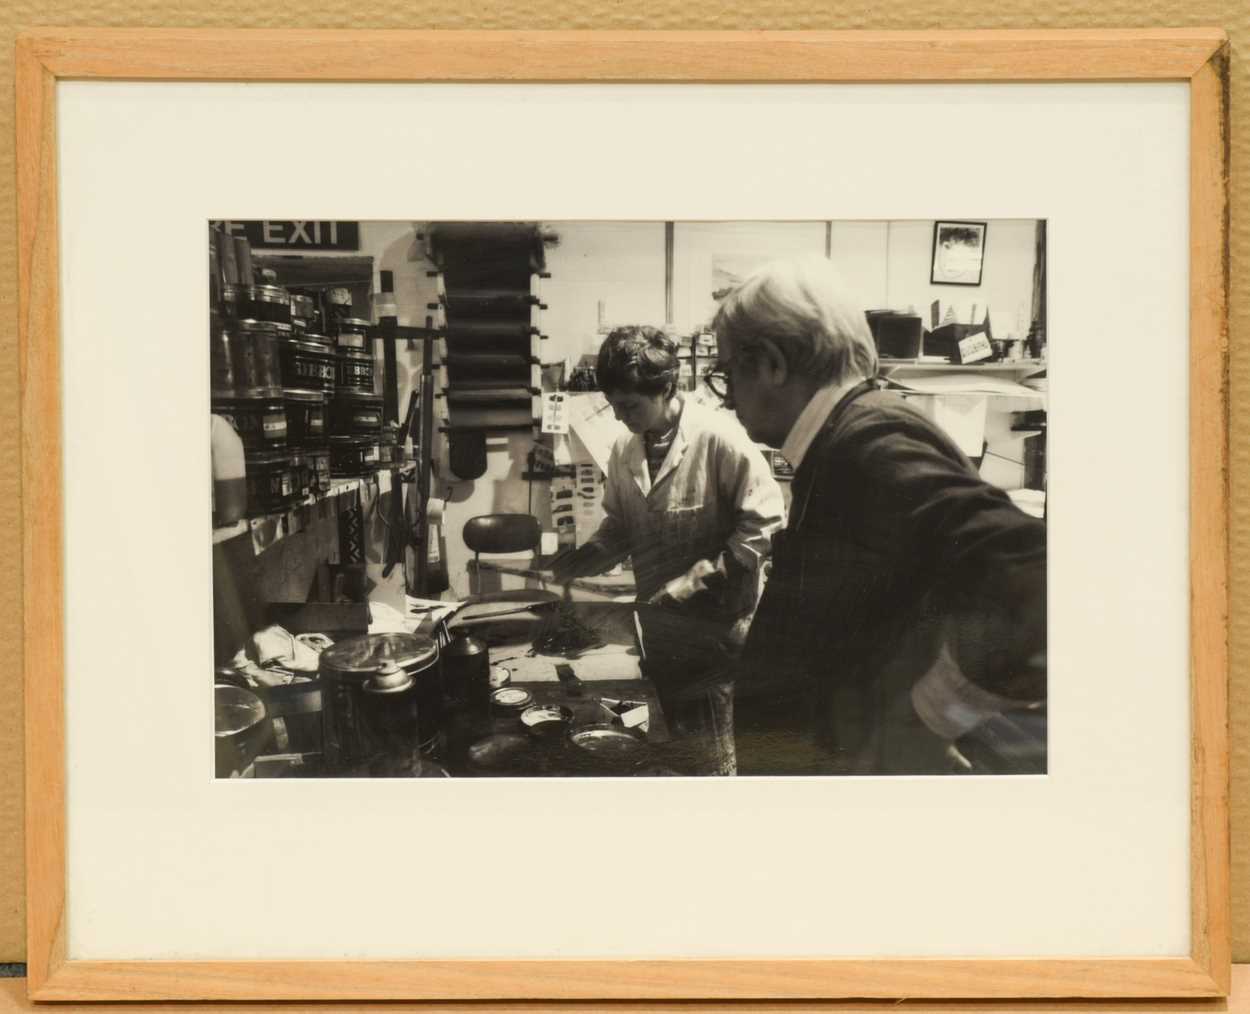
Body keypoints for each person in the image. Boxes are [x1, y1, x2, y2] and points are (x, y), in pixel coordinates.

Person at [707, 256, 1047, 776]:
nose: (727, 397)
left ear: (772, 364)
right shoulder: (843, 436)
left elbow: (1032, 576)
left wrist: (927, 718)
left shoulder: (867, 439)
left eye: (727, 373)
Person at [552, 325, 786, 772]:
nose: (620, 417)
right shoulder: (624, 448)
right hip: (658, 632)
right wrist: (588, 556)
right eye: (614, 406)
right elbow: (621, 525)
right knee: (672, 746)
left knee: (715, 756)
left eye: (630, 406)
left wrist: (694, 582)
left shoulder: (719, 437)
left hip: (716, 635)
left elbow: (765, 523)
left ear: (665, 389)